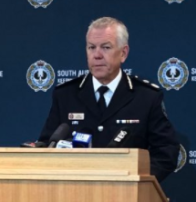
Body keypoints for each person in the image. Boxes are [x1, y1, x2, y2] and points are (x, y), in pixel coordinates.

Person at [37, 16, 180, 182]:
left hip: (126, 193)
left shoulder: (146, 97)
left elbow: (165, 153)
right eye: (91, 47)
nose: (97, 55)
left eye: (106, 47)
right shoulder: (66, 95)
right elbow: (47, 146)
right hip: (75, 192)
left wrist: (136, 182)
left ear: (123, 53)